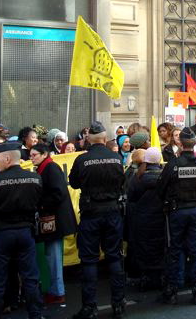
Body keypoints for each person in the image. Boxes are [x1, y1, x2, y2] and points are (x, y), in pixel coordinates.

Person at [69, 121, 126, 319]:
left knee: (89, 261)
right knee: (114, 257)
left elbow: (74, 183)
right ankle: (118, 303)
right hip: (112, 211)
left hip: (91, 213)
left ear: (89, 140)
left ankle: (89, 307)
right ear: (104, 139)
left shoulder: (82, 160)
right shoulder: (116, 158)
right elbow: (122, 181)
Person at [0, 141, 43, 318]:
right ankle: (35, 313)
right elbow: (39, 203)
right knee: (30, 278)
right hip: (25, 232)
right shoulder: (35, 178)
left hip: (1, 233)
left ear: (8, 158)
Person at [157, 127, 196, 305]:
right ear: (194, 143)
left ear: (181, 143)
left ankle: (173, 288)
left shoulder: (173, 164)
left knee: (175, 250)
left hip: (177, 211)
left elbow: (161, 188)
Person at [29, 143, 77, 306]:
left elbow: (58, 193)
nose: (31, 157)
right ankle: (56, 290)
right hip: (53, 219)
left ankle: (58, 292)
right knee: (51, 256)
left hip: (56, 220)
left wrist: (41, 204)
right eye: (31, 155)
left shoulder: (51, 168)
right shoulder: (46, 167)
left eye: (34, 154)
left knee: (54, 257)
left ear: (44, 154)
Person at [125, 147, 165, 290]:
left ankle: (146, 277)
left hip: (142, 219)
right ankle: (159, 276)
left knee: (143, 247)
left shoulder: (137, 178)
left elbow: (131, 197)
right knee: (160, 246)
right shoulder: (164, 176)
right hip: (161, 218)